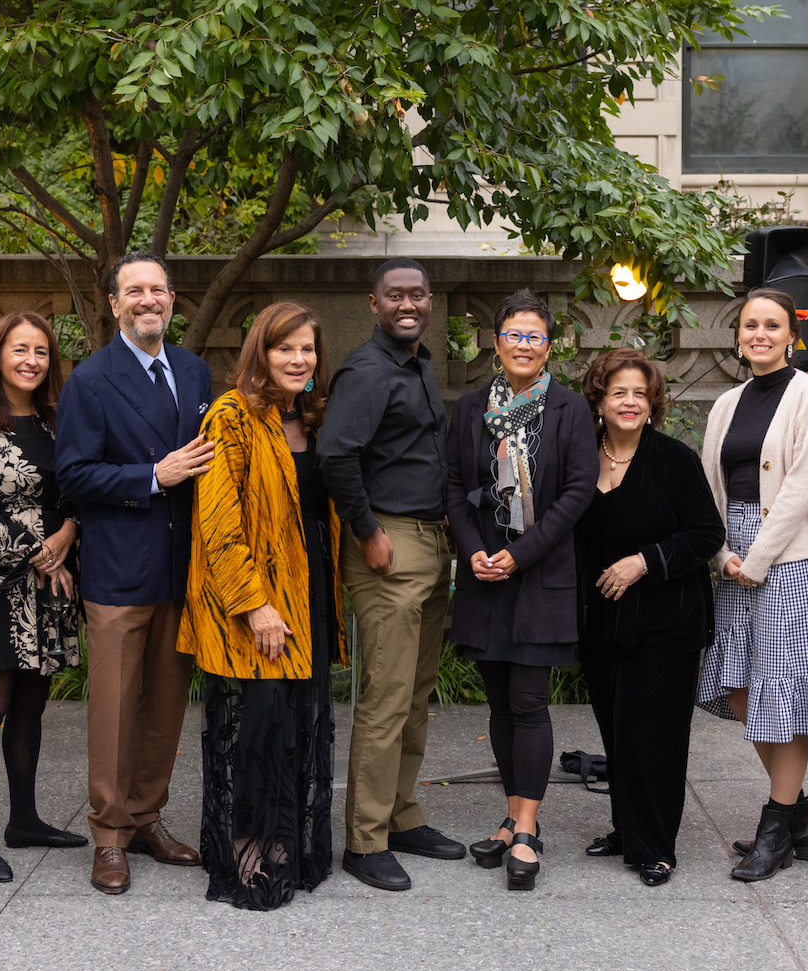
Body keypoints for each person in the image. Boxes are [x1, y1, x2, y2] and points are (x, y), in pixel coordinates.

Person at [55, 251, 214, 895]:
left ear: (172, 300)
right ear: (115, 305)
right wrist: (153, 476)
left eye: (159, 290)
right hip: (120, 569)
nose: (149, 300)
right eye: (134, 291)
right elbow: (73, 475)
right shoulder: (91, 380)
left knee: (165, 706)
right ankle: (110, 834)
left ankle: (147, 816)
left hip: (180, 569)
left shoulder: (196, 370)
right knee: (116, 708)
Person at [178, 302, 345, 911]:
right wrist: (255, 606)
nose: (300, 360)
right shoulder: (232, 417)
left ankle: (284, 847)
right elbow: (218, 524)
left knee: (293, 727)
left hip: (308, 598)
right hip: (256, 604)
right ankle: (247, 852)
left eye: (308, 349)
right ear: (260, 353)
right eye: (286, 349)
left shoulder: (310, 415)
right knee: (256, 730)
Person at [318, 257, 464, 892]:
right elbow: (334, 453)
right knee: (384, 699)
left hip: (431, 540)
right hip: (389, 543)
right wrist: (367, 532)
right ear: (373, 303)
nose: (408, 304)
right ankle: (365, 839)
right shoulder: (368, 370)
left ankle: (403, 815)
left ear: (430, 301)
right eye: (395, 295)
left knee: (415, 690)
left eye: (418, 294)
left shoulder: (420, 363)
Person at [446, 288, 598, 892]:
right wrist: (474, 551)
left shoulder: (568, 410)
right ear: (496, 342)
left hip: (539, 575)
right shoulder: (470, 408)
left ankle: (529, 828)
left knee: (530, 701)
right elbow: (454, 486)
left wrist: (519, 553)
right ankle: (509, 820)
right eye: (514, 334)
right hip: (485, 576)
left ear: (549, 346)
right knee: (499, 702)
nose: (523, 345)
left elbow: (578, 493)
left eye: (535, 336)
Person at [697, 289, 808, 882]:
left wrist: (754, 558)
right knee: (741, 688)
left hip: (787, 557)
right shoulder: (726, 402)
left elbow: (804, 485)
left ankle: (776, 824)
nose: (759, 334)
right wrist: (720, 551)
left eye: (772, 325)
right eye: (749, 325)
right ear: (738, 335)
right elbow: (711, 487)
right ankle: (798, 818)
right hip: (733, 556)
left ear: (793, 335)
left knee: (780, 690)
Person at [574, 349, 723, 887]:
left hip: (664, 621)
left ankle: (656, 846)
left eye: (640, 393)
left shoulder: (672, 459)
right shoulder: (581, 458)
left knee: (655, 736)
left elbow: (708, 533)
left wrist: (643, 562)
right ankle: (627, 828)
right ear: (599, 400)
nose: (630, 402)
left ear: (653, 400)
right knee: (616, 730)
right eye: (619, 393)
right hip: (601, 622)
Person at [0, 311, 88, 884]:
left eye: (40, 350)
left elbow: (80, 487)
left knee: (32, 706)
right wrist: (38, 554)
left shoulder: (63, 422)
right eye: (19, 349)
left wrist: (68, 534)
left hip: (54, 586)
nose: (30, 360)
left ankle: (25, 819)